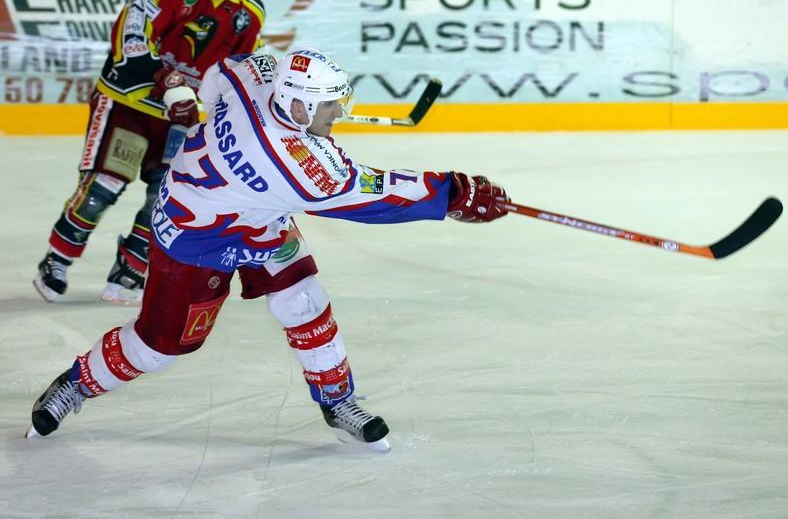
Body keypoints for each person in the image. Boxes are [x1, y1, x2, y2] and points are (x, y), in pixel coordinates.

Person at [26, 47, 510, 451]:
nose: (338, 113)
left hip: (258, 215)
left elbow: (220, 73)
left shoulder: (256, 76)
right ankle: (76, 383)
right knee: (161, 348)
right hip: (196, 235)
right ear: (298, 104)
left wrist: (195, 104)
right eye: (330, 106)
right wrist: (455, 193)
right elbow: (378, 195)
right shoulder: (299, 168)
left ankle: (337, 400)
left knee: (304, 300)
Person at [33, 0, 265, 305]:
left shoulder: (250, 11)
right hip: (128, 102)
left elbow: (241, 73)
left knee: (165, 195)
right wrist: (165, 80)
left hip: (180, 115)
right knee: (103, 186)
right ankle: (57, 258)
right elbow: (130, 39)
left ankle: (130, 267)